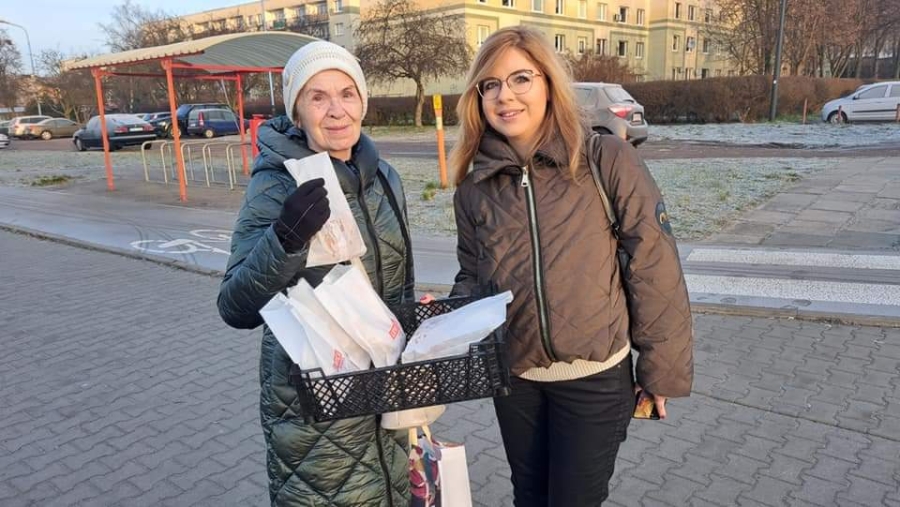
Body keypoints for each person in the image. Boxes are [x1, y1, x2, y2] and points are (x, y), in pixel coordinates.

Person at [449, 26, 693, 506]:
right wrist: (446, 319)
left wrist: (660, 370)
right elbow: (473, 277)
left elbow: (654, 265)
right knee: (529, 498)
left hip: (595, 380)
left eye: (520, 78)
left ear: (548, 82)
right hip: (516, 381)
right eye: (490, 84)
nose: (505, 96)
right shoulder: (474, 187)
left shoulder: (605, 159)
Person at [217, 41, 414, 507]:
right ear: (298, 112)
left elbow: (398, 283)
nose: (336, 110)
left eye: (347, 94)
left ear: (362, 101)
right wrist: (285, 238)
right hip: (316, 411)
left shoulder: (384, 177)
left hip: (386, 394)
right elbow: (235, 307)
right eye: (317, 97)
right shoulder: (276, 182)